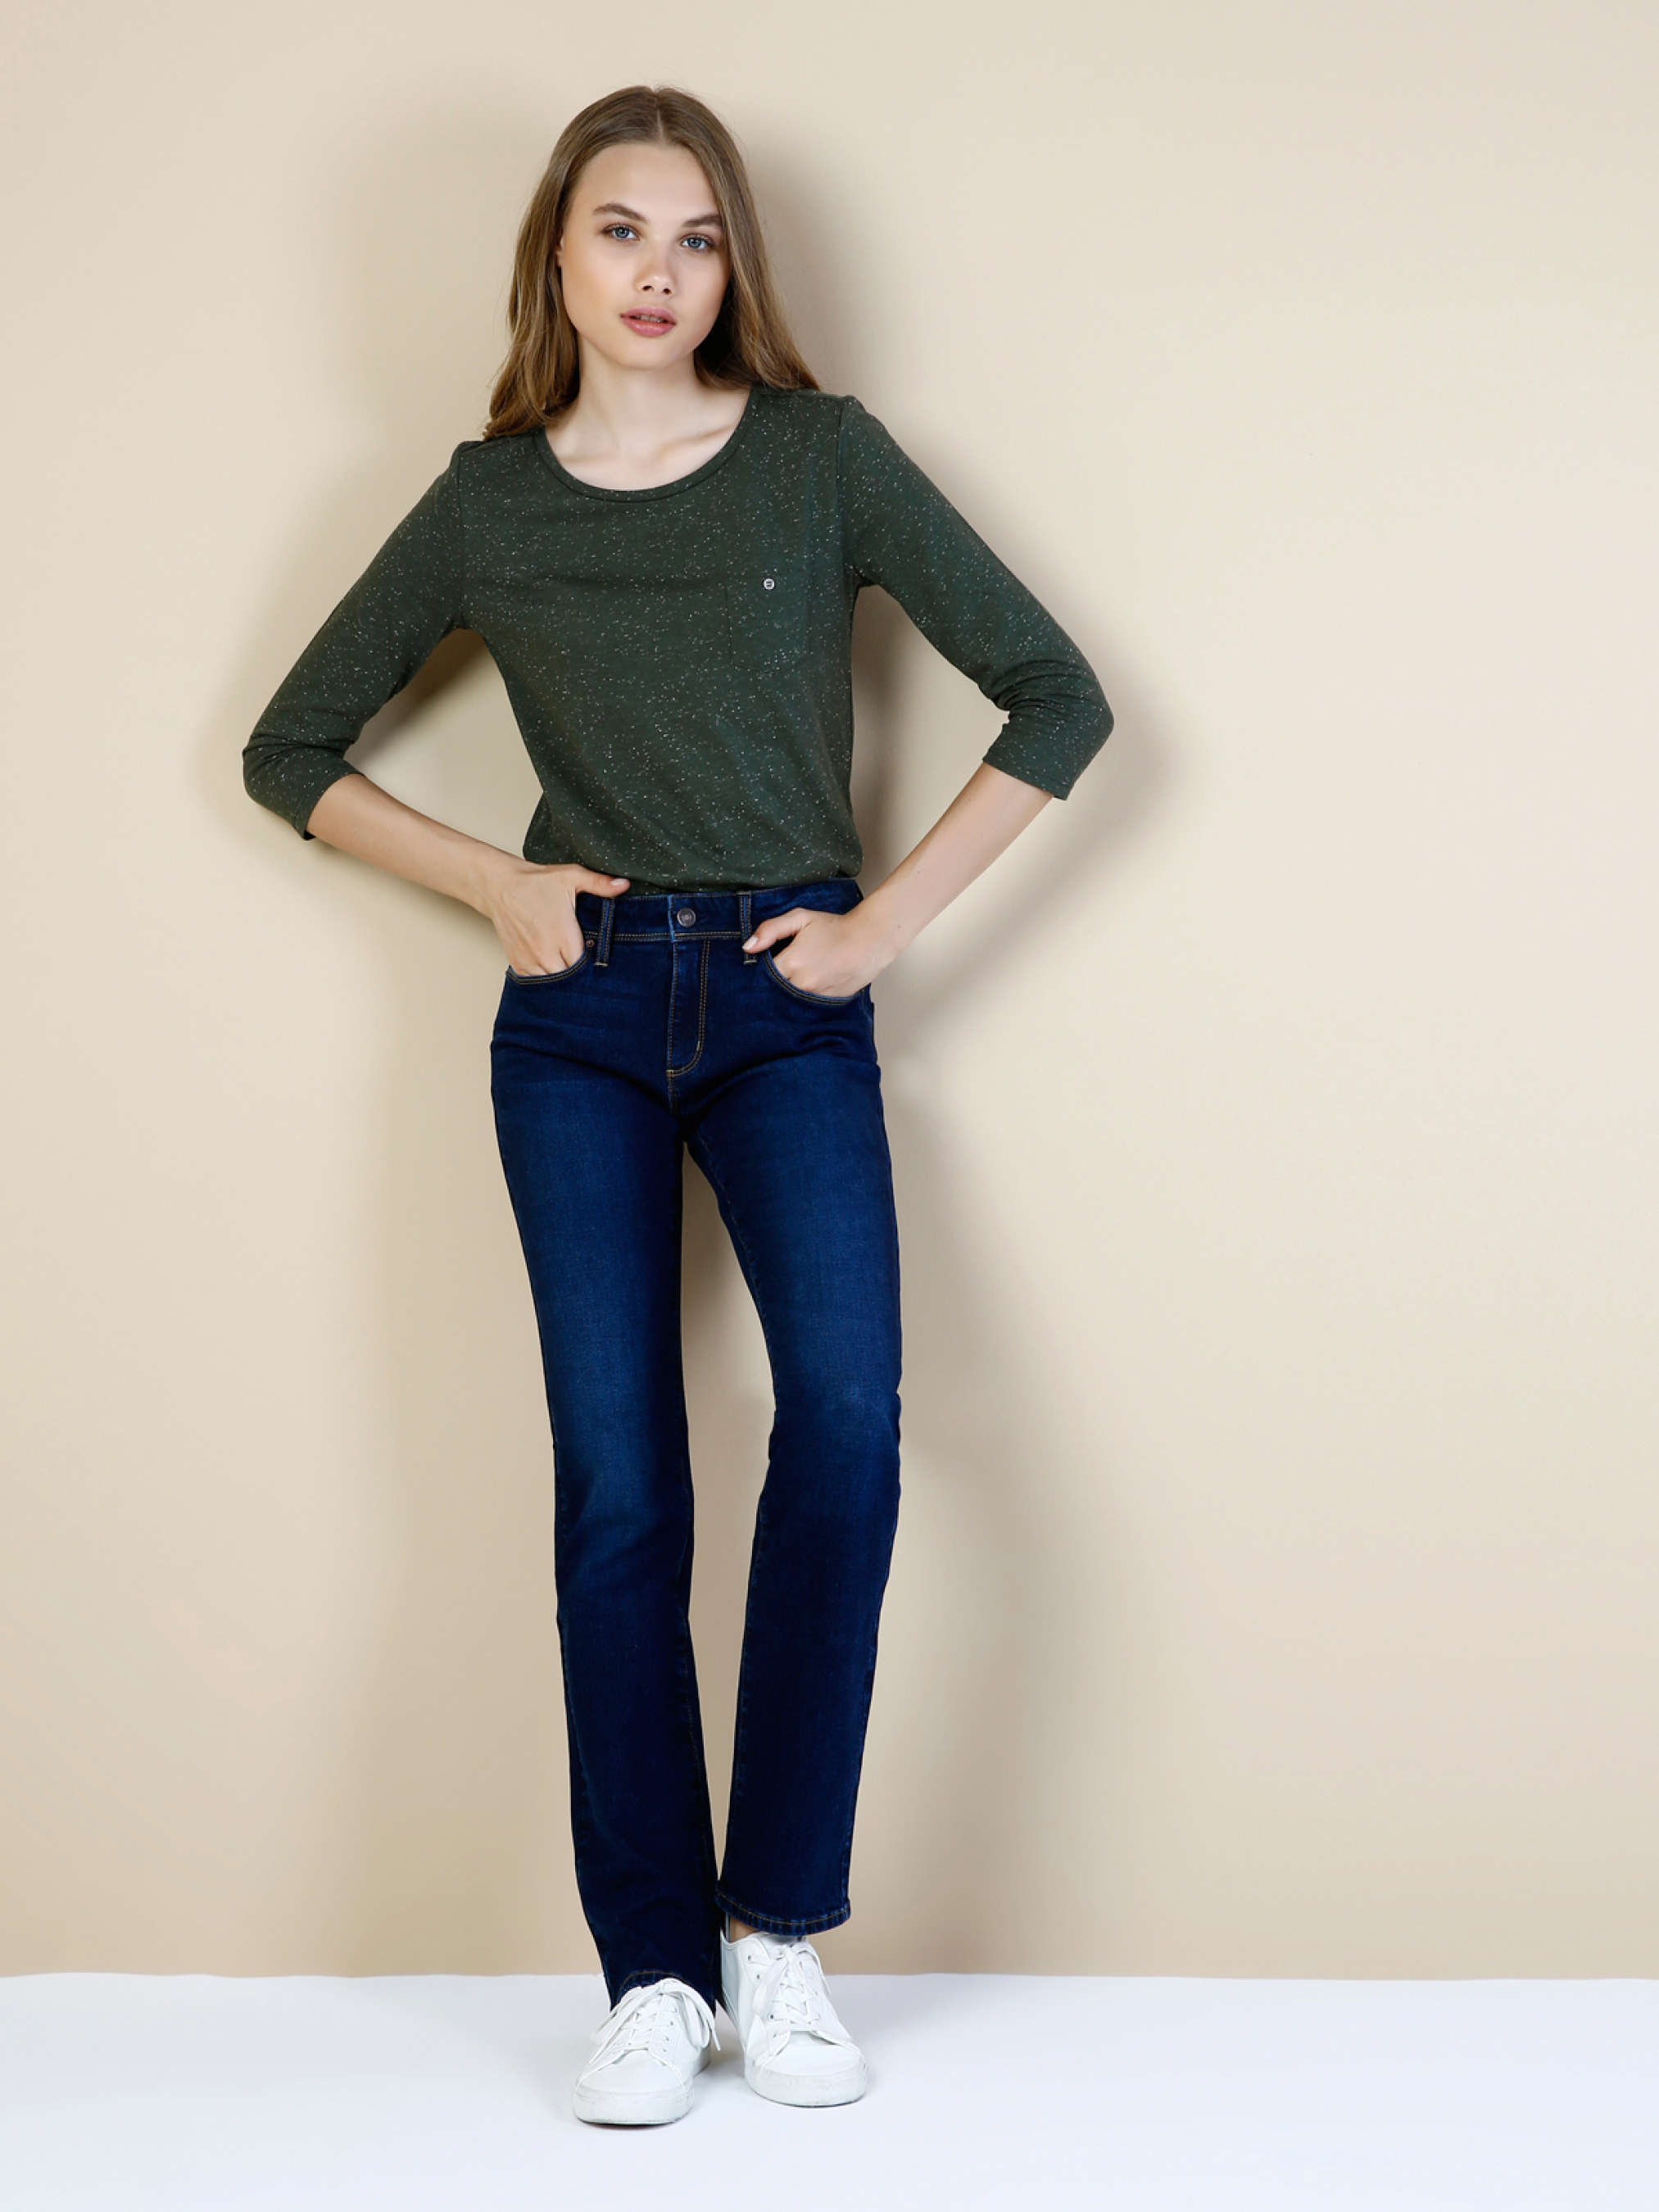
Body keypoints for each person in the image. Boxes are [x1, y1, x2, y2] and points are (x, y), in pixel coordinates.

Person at [243, 83, 1111, 2126]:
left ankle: (772, 1930)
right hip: (576, 1017)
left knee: (848, 1427)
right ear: (556, 254)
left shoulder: (819, 460)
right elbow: (291, 750)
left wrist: (877, 926)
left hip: (787, 1004)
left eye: (697, 238)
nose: (658, 272)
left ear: (736, 268)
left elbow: (1057, 694)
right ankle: (648, 1969)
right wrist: (494, 881)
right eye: (621, 231)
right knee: (621, 1491)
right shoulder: (488, 504)